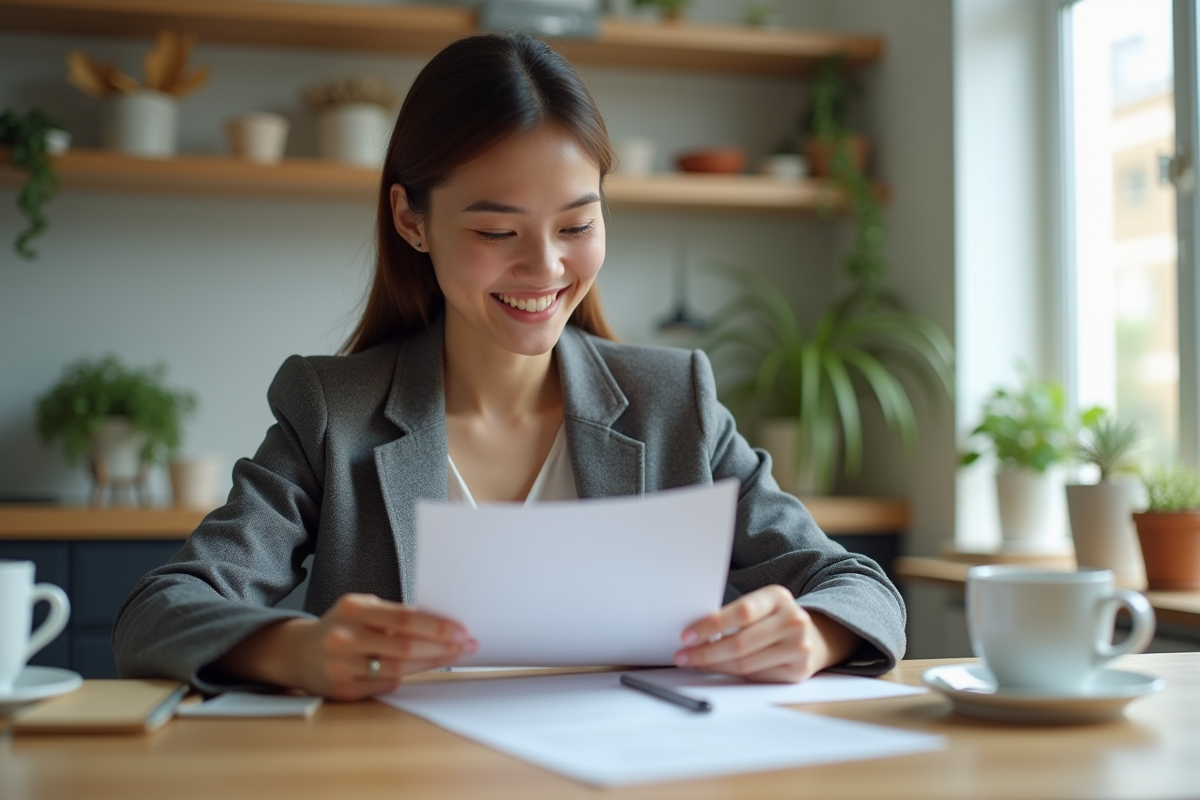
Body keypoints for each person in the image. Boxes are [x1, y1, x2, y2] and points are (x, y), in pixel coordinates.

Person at [113, 32, 906, 700]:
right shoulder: (335, 411)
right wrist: (294, 651)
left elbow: (860, 587)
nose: (547, 266)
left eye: (577, 224)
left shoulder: (674, 403)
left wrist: (817, 634)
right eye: (498, 232)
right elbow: (160, 609)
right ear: (410, 220)